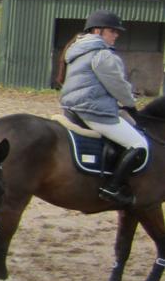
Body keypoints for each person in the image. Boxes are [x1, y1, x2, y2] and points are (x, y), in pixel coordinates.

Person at [60, 10, 147, 207]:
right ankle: (113, 188)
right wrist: (130, 104)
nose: (116, 35)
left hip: (72, 107)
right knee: (138, 144)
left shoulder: (77, 50)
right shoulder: (102, 55)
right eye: (112, 31)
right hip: (94, 110)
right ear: (97, 31)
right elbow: (117, 85)